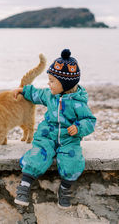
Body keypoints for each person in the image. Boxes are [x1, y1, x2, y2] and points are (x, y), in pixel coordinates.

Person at [12, 49, 96, 209]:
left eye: (52, 81)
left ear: (65, 84)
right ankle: (24, 185)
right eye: (49, 80)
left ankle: (65, 189)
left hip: (68, 139)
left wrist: (78, 128)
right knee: (38, 154)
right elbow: (36, 93)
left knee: (72, 161)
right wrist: (23, 90)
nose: (48, 84)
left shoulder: (78, 103)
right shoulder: (50, 95)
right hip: (47, 136)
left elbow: (90, 121)